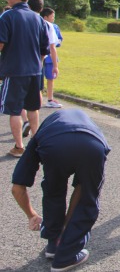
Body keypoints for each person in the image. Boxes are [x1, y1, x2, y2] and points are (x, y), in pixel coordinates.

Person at [11, 109, 110, 271]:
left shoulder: (41, 134)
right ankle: (66, 254)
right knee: (87, 198)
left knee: (53, 189)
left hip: (54, 145)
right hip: (93, 144)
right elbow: (82, 187)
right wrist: (67, 225)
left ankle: (54, 242)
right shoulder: (86, 122)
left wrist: (32, 215)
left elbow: (17, 187)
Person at [0, 0, 50, 157]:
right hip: (35, 71)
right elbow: (45, 49)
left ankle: (19, 146)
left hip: (14, 70)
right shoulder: (38, 19)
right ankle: (35, 143)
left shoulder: (8, 16)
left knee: (14, 109)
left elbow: (1, 42)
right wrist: (37, 62)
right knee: (33, 107)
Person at [41, 7, 63, 108]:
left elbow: (59, 40)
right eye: (51, 16)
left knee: (50, 77)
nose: (53, 18)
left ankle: (50, 98)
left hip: (50, 56)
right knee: (38, 79)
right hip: (41, 55)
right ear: (45, 17)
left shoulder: (55, 27)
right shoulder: (40, 25)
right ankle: (38, 99)